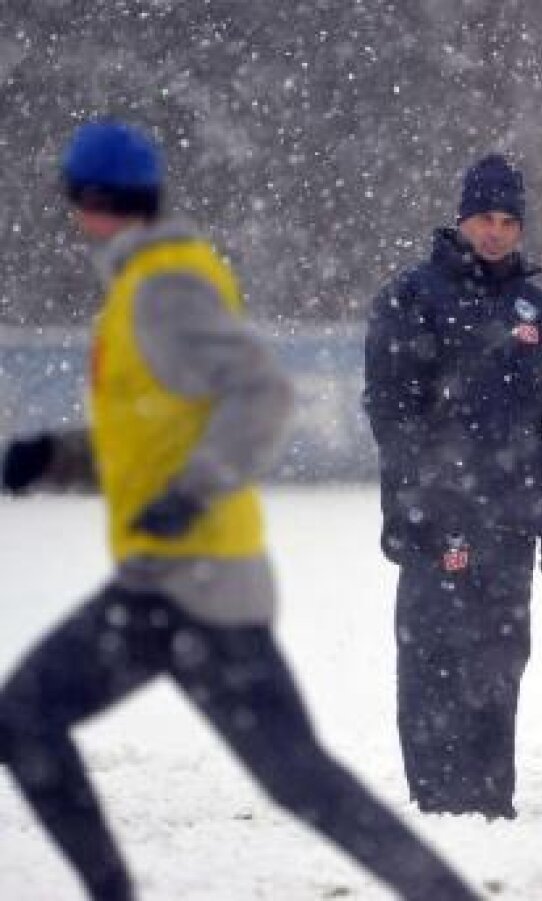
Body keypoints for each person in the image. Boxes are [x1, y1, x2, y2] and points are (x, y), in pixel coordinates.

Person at [0, 120, 475, 901]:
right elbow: (150, 436)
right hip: (172, 586)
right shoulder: (141, 285)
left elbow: (264, 394)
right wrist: (52, 458)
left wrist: (191, 493)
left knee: (30, 719)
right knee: (298, 778)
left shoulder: (162, 287)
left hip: (193, 589)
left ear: (91, 199)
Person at [364, 154, 542, 820]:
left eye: (509, 219)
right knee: (432, 654)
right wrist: (406, 502)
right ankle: (437, 793)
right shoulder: (414, 295)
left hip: (511, 518)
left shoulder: (534, 308)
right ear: (462, 218)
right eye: (486, 216)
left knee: (500, 656)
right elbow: (391, 411)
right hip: (440, 512)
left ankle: (492, 793)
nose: (496, 230)